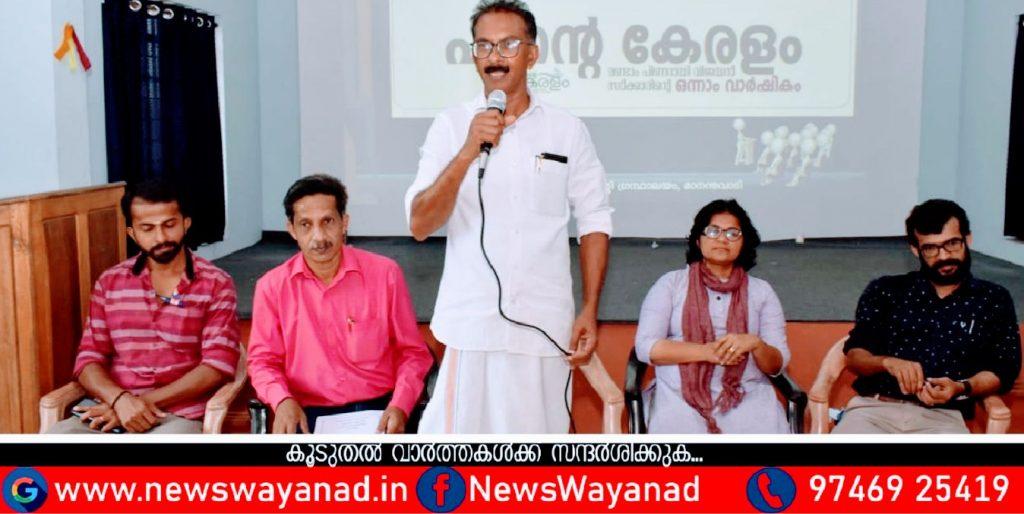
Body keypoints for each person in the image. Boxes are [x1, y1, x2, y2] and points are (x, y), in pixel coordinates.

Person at [405, 0, 612, 433]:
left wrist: (590, 309)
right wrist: (468, 150)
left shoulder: (566, 129)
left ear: (532, 54)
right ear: (473, 56)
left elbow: (594, 220)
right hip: (471, 324)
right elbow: (420, 224)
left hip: (543, 325)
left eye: (508, 45)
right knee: (455, 459)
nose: (495, 57)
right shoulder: (451, 125)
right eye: (484, 46)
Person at [49, 179, 241, 434]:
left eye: (169, 225)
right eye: (147, 228)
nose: (160, 237)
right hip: (109, 409)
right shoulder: (110, 282)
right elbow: (88, 360)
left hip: (176, 415)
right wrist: (119, 400)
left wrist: (139, 404)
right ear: (132, 233)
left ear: (186, 223)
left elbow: (216, 366)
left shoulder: (216, 283)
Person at [247, 175, 433, 434]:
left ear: (344, 223)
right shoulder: (272, 287)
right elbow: (262, 361)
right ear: (291, 229)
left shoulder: (385, 275)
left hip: (379, 411)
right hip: (306, 414)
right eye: (305, 225)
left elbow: (413, 353)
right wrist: (282, 400)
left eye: (328, 222)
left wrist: (400, 405)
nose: (319, 237)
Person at [834, 199, 1022, 433]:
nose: (944, 256)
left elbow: (1003, 370)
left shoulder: (993, 299)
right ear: (916, 249)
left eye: (952, 244)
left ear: (968, 239)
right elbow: (855, 356)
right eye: (931, 248)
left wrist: (961, 387)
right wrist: (887, 363)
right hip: (872, 411)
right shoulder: (885, 290)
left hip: (944, 418)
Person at [634, 199, 791, 434]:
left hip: (747, 396)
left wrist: (755, 343)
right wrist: (707, 352)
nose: (722, 239)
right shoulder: (671, 284)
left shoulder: (761, 291)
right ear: (698, 241)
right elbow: (647, 347)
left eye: (732, 233)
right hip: (679, 397)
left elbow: (777, 364)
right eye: (713, 231)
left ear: (744, 243)